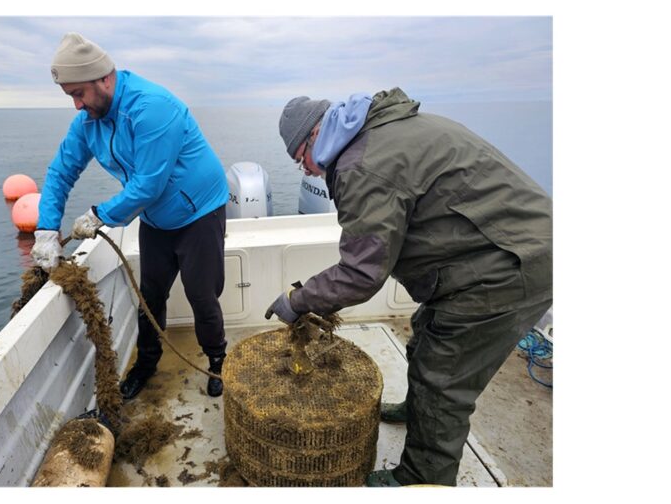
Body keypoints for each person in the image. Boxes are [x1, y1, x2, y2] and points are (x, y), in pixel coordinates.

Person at [266, 89, 552, 486]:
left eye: (302, 161)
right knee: (425, 337)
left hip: (507, 264)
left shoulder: (361, 166)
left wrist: (296, 301)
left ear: (315, 136)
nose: (309, 172)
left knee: (442, 380)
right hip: (494, 248)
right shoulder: (387, 129)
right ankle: (418, 411)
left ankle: (421, 480)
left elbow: (361, 273)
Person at [31, 33, 230, 399]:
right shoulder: (88, 122)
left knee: (202, 294)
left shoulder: (152, 107)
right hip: (155, 218)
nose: (76, 105)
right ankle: (146, 363)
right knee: (150, 294)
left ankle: (217, 360)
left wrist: (98, 215)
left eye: (80, 94)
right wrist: (46, 228)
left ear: (104, 79)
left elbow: (149, 183)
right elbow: (61, 171)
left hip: (199, 210)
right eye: (70, 96)